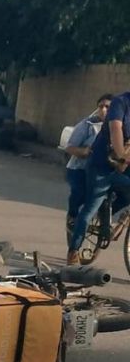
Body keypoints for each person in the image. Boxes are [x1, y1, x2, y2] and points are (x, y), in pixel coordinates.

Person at [68, 91, 130, 265]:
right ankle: (73, 250)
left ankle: (110, 213)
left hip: (124, 166)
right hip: (101, 165)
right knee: (89, 210)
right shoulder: (120, 103)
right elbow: (115, 129)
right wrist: (121, 156)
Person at [64, 94, 112, 242]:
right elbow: (69, 147)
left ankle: (106, 223)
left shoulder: (118, 127)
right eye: (100, 106)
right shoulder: (87, 125)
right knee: (80, 193)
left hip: (103, 171)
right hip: (79, 169)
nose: (103, 110)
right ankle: (73, 215)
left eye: (108, 107)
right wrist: (82, 152)